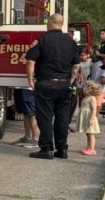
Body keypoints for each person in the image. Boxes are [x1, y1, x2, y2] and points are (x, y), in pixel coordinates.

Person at [25, 13, 80, 160]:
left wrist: (30, 80)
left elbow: (30, 61)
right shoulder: (71, 42)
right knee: (62, 117)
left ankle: (46, 148)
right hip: (64, 85)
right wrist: (71, 79)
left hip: (46, 84)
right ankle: (62, 149)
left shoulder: (42, 40)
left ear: (50, 22)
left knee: (45, 117)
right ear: (61, 24)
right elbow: (76, 64)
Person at [78, 81, 101, 156]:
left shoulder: (92, 98)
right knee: (88, 133)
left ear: (90, 89)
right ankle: (88, 147)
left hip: (90, 118)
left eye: (85, 88)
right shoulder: (86, 97)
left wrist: (92, 119)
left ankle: (92, 149)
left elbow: (94, 109)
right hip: (86, 118)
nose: (83, 89)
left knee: (91, 134)